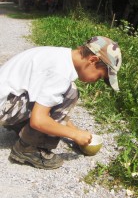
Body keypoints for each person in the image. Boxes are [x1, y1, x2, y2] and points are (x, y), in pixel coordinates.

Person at [0, 36, 122, 170]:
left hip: (8, 101)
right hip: (4, 108)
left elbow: (49, 103)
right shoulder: (61, 73)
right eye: (99, 76)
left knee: (64, 92)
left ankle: (22, 127)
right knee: (70, 92)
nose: (96, 81)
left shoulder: (60, 56)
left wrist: (75, 131)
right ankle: (27, 149)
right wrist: (74, 135)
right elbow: (38, 120)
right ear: (92, 60)